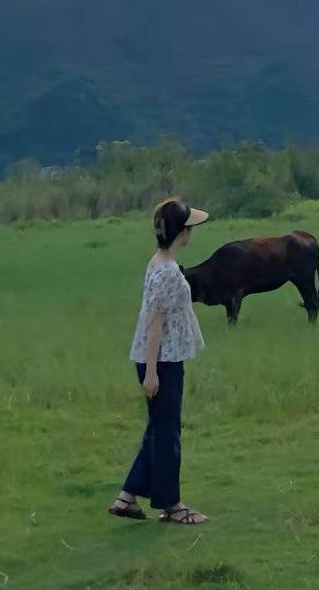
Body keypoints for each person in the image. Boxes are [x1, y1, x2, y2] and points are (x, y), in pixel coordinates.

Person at [108, 198, 210, 525]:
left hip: (161, 357)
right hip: (162, 360)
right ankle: (172, 506)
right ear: (182, 232)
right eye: (189, 227)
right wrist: (151, 372)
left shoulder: (158, 262)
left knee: (157, 428)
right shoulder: (166, 270)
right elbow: (156, 322)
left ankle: (127, 497)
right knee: (167, 432)